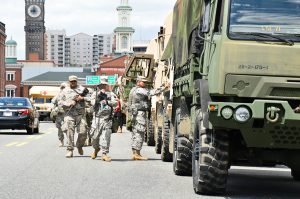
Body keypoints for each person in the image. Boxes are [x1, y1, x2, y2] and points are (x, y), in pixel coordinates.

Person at [59, 75, 90, 158]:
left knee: (83, 132)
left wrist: (82, 98)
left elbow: (91, 99)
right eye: (71, 81)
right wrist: (68, 104)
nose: (73, 83)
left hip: (81, 114)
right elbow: (60, 102)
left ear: (77, 81)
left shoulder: (83, 89)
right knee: (69, 131)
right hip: (69, 114)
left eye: (74, 81)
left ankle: (79, 145)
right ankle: (70, 149)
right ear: (69, 82)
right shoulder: (65, 90)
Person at [90, 77, 117, 162]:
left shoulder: (111, 94)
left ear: (106, 85)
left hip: (107, 119)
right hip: (97, 118)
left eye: (104, 84)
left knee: (106, 136)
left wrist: (107, 102)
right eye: (101, 84)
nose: (103, 86)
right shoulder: (95, 93)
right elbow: (92, 102)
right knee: (94, 137)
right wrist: (98, 99)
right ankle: (96, 149)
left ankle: (104, 154)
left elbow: (116, 102)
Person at [51, 82, 68, 147]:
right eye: (62, 88)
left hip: (67, 114)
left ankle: (69, 141)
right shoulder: (58, 95)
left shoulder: (69, 95)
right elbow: (53, 102)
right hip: (59, 114)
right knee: (60, 128)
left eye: (64, 88)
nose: (63, 89)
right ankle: (61, 141)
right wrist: (53, 109)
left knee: (67, 128)